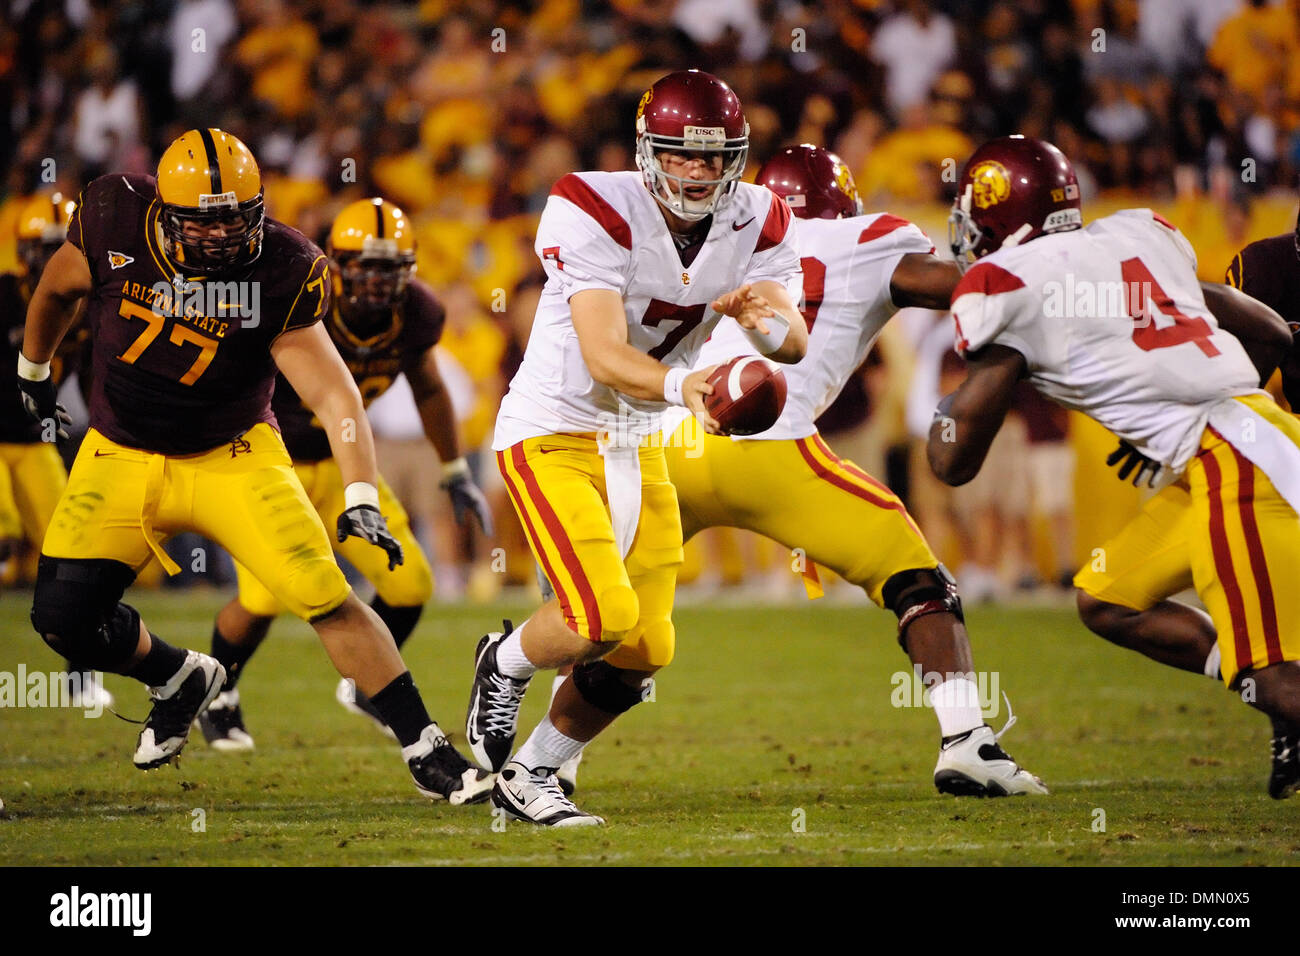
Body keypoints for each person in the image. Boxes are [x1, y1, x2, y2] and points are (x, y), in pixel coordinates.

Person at [558, 144, 1047, 799]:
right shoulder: (865, 238)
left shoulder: (724, 242)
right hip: (768, 444)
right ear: (840, 204)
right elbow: (965, 290)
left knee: (619, 630)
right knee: (918, 583)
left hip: (673, 442)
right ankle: (968, 743)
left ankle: (545, 761)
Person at [21, 128, 491, 804]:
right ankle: (179, 674)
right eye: (204, 222)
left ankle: (427, 749)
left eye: (236, 217)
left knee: (323, 593)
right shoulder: (111, 215)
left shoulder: (284, 264)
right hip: (119, 450)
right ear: (164, 213)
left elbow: (334, 393)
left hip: (233, 454)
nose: (222, 235)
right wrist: (32, 367)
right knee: (63, 618)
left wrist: (360, 490)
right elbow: (55, 292)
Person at [465, 70, 808, 826]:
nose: (698, 171)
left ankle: (533, 772)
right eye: (681, 155)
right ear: (648, 152)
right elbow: (602, 355)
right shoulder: (593, 205)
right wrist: (686, 387)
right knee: (597, 618)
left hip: (635, 436)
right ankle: (507, 660)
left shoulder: (759, 218)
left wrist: (761, 320)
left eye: (714, 157)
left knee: (647, 646)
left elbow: (794, 341)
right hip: (553, 428)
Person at [928, 134, 1300, 799]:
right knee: (1108, 599)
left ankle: (1279, 695)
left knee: (1278, 678)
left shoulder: (1006, 283)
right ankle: (1266, 688)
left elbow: (951, 461)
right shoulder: (1137, 235)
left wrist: (959, 402)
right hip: (1236, 446)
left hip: (1236, 468)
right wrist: (1184, 394)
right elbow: (1270, 332)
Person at [198, 197, 491, 750]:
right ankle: (217, 691)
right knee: (262, 601)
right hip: (270, 464)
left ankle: (368, 688)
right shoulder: (302, 298)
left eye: (390, 267)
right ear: (336, 263)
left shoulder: (417, 314)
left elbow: (428, 388)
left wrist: (454, 469)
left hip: (343, 468)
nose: (378, 281)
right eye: (366, 265)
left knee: (410, 583)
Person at [1, 192, 111, 707]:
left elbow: (92, 373)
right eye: (41, 250)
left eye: (57, 249)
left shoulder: (85, 304)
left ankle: (79, 676)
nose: (51, 262)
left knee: (75, 551)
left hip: (30, 442)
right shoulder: (4, 296)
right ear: (23, 254)